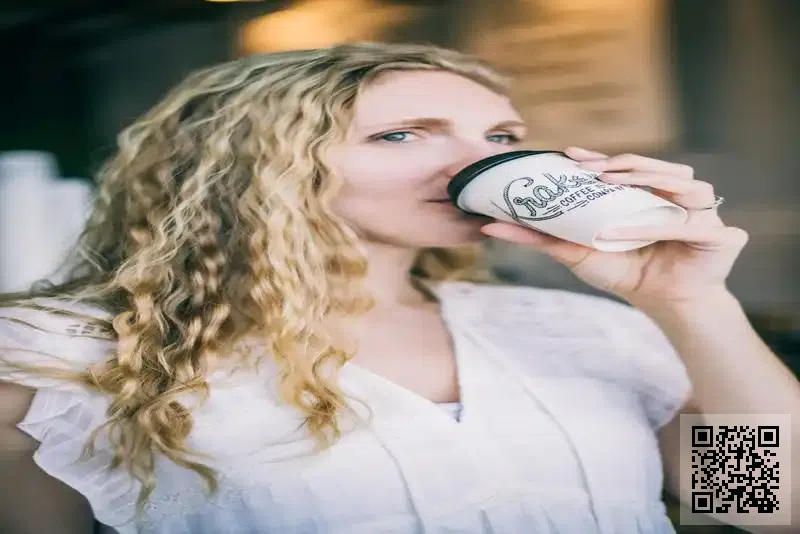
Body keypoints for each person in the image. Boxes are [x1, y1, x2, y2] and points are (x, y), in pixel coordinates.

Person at [0, 41, 797, 534]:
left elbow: (767, 505)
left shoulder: (586, 327)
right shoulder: (70, 354)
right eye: (402, 135)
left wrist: (691, 303)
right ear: (255, 169)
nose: (478, 163)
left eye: (501, 136)